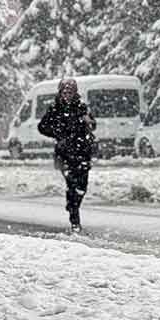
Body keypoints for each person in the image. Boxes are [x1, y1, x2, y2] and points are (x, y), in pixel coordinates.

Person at [37, 78, 96, 233]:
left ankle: (72, 205)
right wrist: (58, 134)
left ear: (75, 92)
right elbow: (42, 127)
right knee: (72, 184)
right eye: (65, 91)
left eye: (70, 91)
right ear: (60, 92)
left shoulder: (82, 107)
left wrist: (89, 122)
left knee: (82, 186)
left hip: (82, 152)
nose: (67, 94)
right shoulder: (55, 108)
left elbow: (93, 124)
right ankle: (75, 221)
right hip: (64, 154)